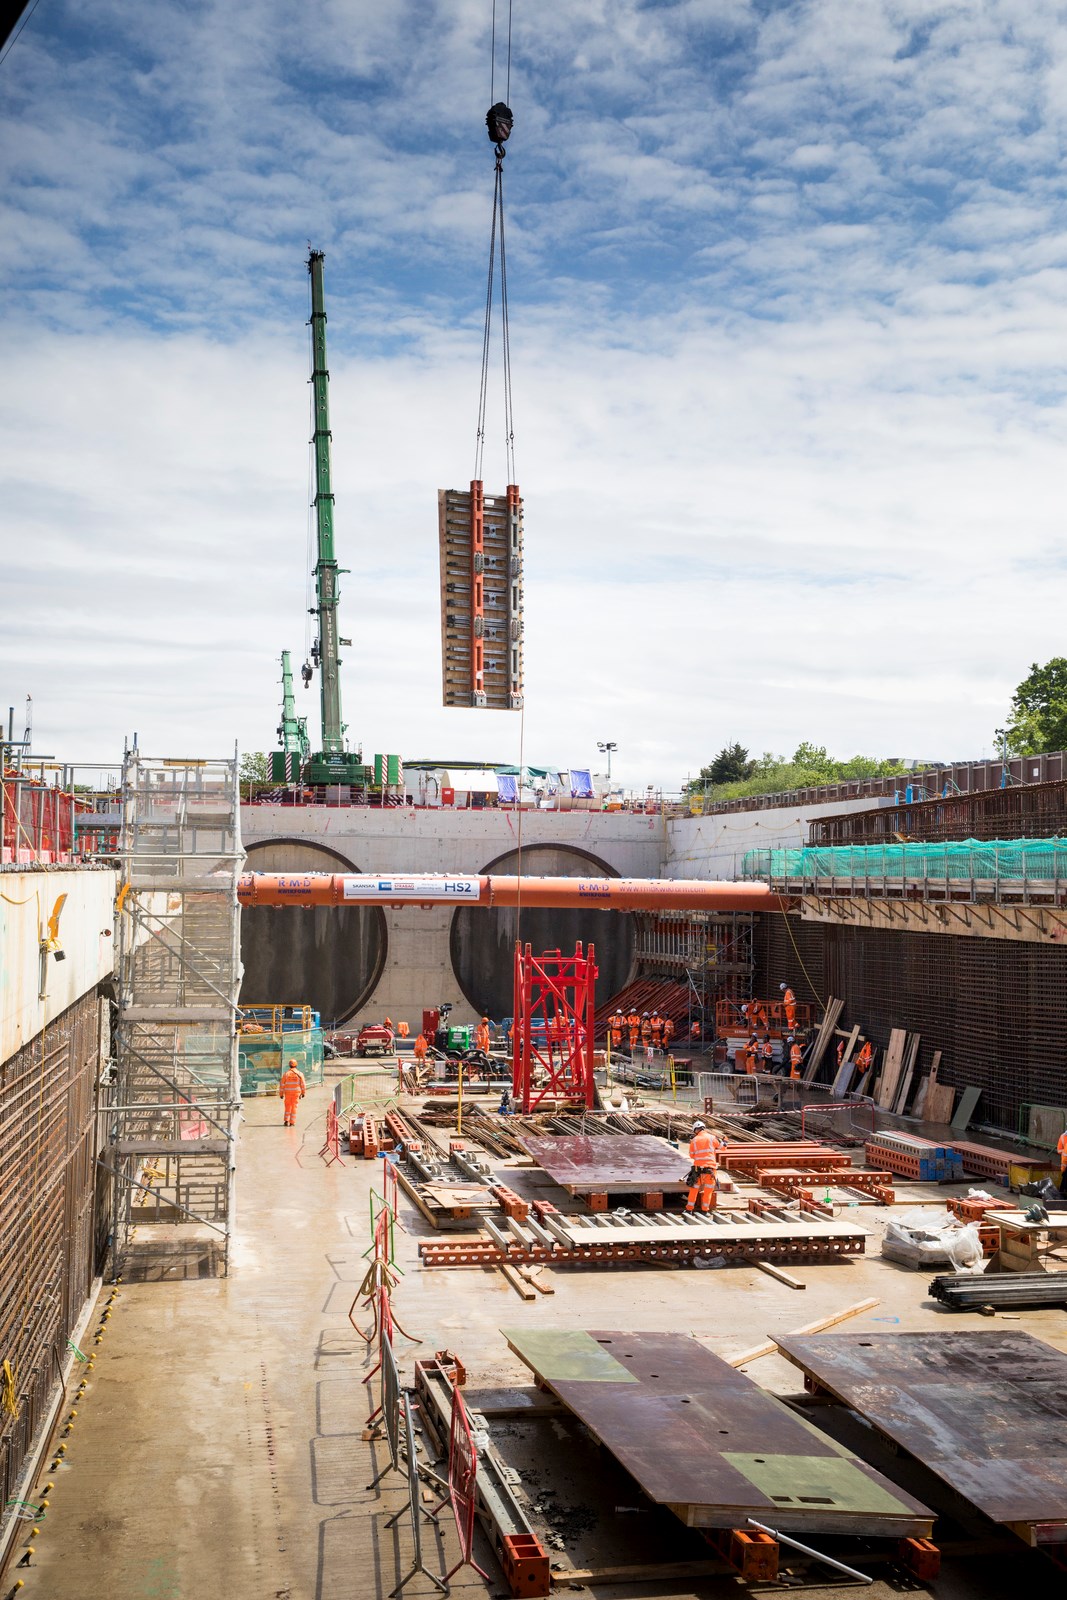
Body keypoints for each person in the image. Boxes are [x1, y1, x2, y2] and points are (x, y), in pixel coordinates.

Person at [685, 1120, 721, 1214]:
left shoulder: (694, 1140)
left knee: (694, 1190)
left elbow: (692, 1155)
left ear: (695, 1130)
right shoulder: (712, 1138)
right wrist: (724, 1141)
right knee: (708, 1191)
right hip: (710, 1170)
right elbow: (723, 1147)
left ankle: (689, 1209)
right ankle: (705, 1210)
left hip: (698, 1170)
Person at [278, 1058, 306, 1126]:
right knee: (294, 1107)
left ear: (289, 1065)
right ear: (296, 1065)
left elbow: (282, 1085)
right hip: (296, 1094)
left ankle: (286, 1121)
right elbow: (303, 1084)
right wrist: (303, 1093)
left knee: (287, 1107)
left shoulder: (286, 1074)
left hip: (287, 1094)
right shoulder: (300, 1074)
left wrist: (281, 1094)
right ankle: (292, 1122)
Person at [1057, 1127, 1067, 1195]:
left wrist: (1063, 1169)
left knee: (1064, 1182)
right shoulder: (1063, 1137)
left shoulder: (1063, 1136)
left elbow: (1064, 1157)